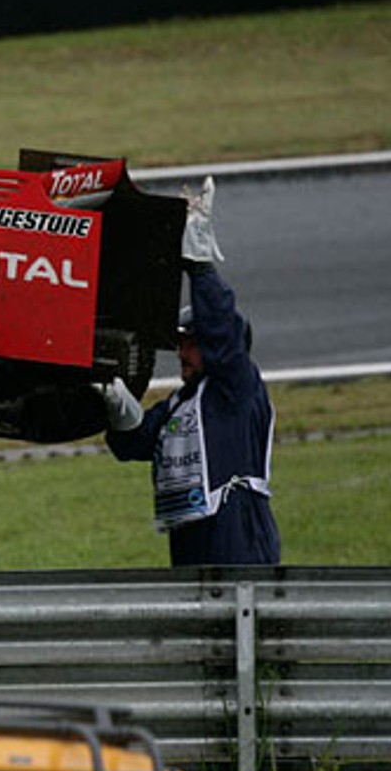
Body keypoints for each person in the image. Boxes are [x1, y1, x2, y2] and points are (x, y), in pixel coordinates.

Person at [98, 178, 280, 566]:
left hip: (237, 532)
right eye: (181, 341)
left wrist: (199, 269)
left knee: (237, 621)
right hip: (190, 534)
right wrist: (120, 411)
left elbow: (221, 331)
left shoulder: (236, 386)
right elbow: (134, 445)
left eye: (191, 342)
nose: (182, 349)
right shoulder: (180, 403)